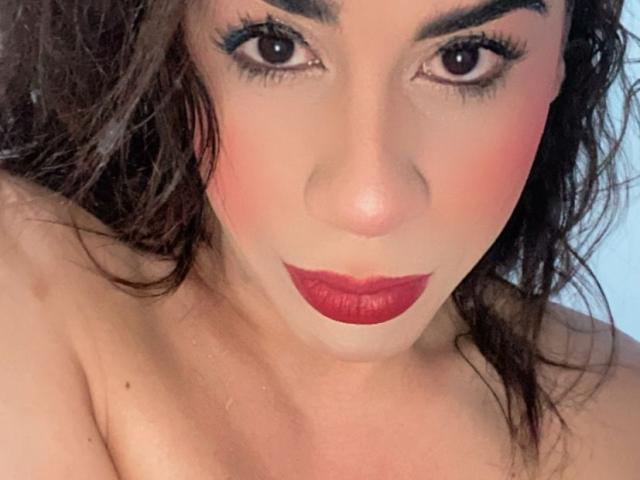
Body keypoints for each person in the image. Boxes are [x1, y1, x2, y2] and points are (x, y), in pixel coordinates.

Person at [0, 0, 639, 478]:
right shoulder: (28, 289)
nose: (369, 203)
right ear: (170, 35)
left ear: (562, 52)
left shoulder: (620, 420)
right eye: (275, 47)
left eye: (462, 58)